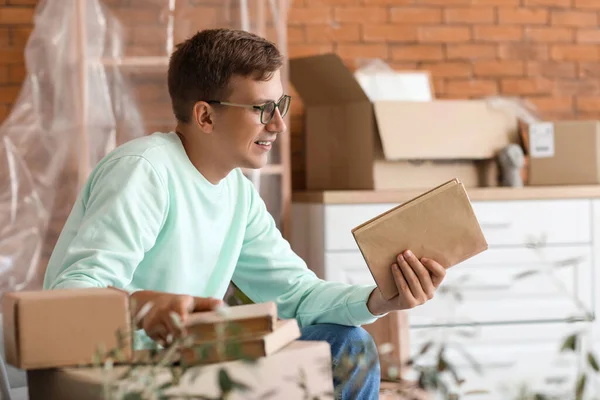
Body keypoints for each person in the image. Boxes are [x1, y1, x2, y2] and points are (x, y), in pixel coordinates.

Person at [43, 28, 447, 399]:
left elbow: (297, 295)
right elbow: (70, 294)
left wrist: (380, 299)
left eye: (281, 105)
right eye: (262, 108)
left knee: (347, 343)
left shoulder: (238, 193)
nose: (280, 126)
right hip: (121, 370)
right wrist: (145, 305)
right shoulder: (145, 170)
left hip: (189, 363)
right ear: (205, 115)